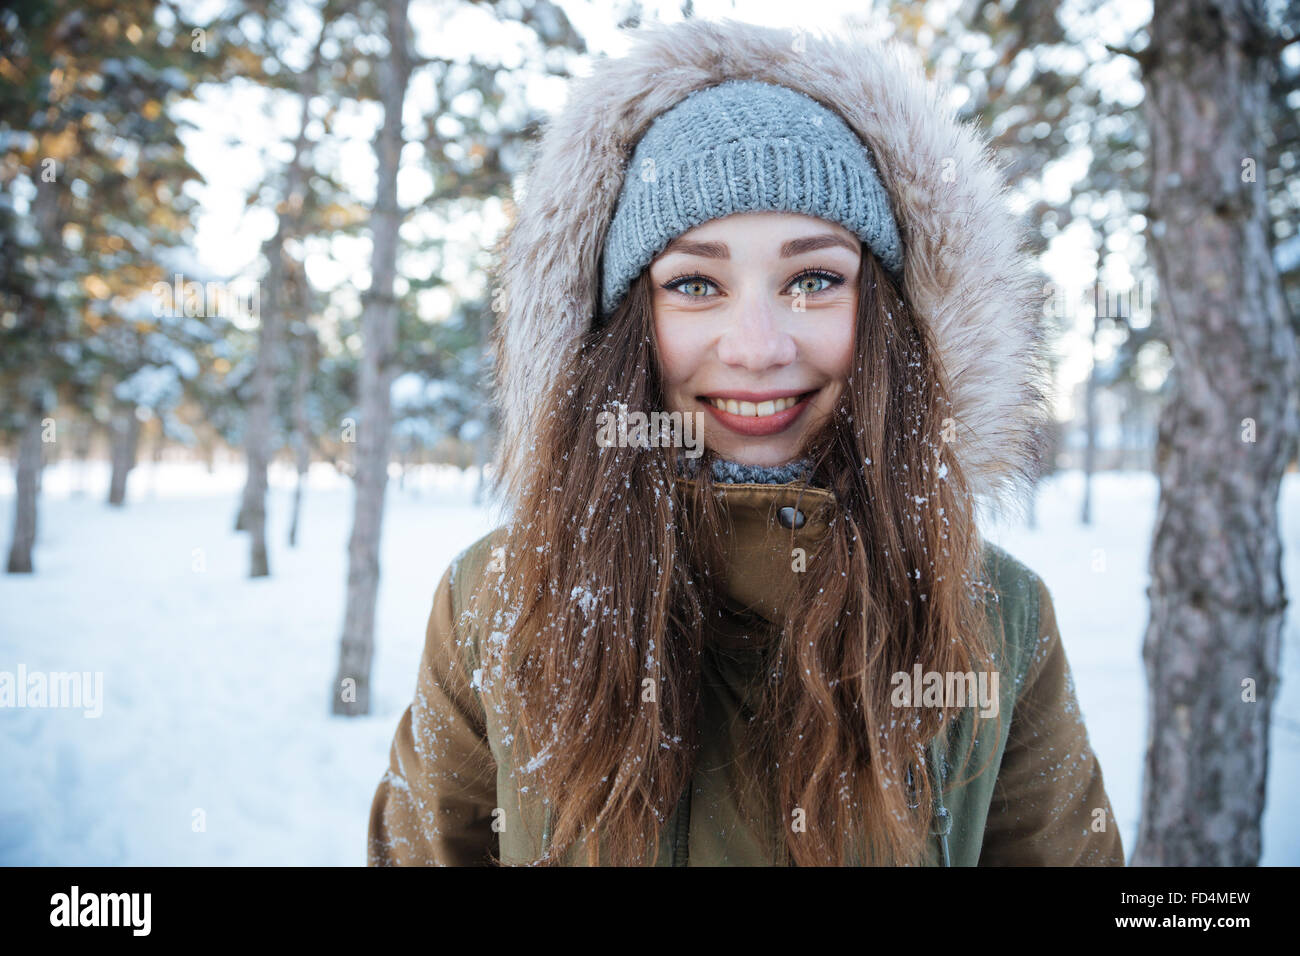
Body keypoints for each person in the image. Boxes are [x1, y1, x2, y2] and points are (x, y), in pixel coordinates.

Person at [367, 16, 1125, 867]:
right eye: (695, 283)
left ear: (891, 318)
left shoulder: (994, 617)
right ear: (622, 328)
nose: (759, 346)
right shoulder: (496, 603)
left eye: (814, 279)